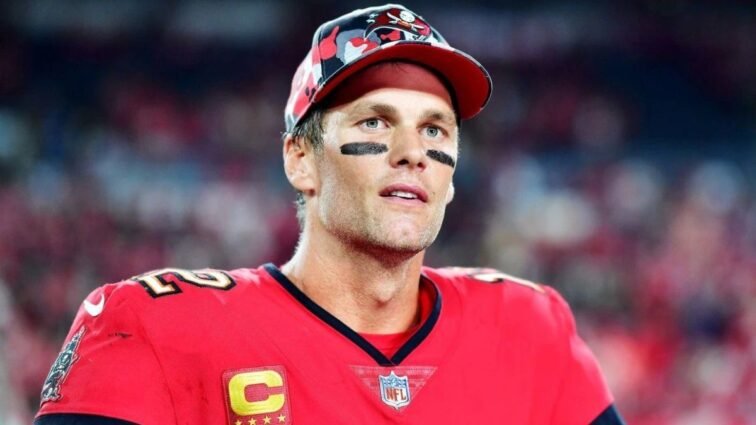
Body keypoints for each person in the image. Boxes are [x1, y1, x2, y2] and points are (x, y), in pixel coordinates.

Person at [35, 4, 624, 424]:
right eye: (375, 121)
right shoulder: (153, 324)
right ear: (300, 160)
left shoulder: (531, 328)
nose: (412, 152)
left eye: (434, 129)